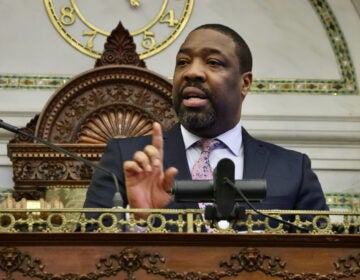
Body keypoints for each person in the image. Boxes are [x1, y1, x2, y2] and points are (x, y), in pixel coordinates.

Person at [83, 23, 328, 231]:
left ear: (245, 83)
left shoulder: (293, 170)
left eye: (212, 62)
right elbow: (82, 257)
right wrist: (140, 223)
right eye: (183, 62)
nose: (192, 72)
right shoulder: (127, 159)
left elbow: (325, 259)